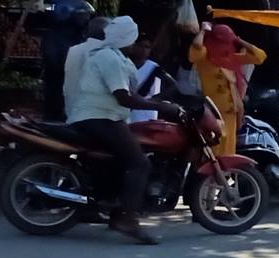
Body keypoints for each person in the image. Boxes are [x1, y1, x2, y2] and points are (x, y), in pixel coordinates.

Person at [69, 16, 184, 244]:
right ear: (125, 39)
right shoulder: (108, 58)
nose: (136, 44)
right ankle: (128, 219)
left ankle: (115, 213)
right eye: (133, 39)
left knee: (122, 161)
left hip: (106, 117)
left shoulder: (117, 58)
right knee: (140, 163)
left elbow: (131, 94)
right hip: (99, 118)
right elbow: (123, 97)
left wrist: (161, 104)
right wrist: (162, 106)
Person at [189, 23, 266, 152]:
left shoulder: (232, 58)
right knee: (213, 149)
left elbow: (260, 56)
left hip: (231, 113)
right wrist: (203, 31)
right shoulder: (204, 59)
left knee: (229, 150)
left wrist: (238, 40)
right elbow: (196, 46)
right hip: (212, 113)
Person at [37, 0, 93, 120]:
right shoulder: (54, 37)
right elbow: (54, 64)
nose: (87, 18)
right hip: (58, 93)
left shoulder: (80, 37)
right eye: (83, 15)